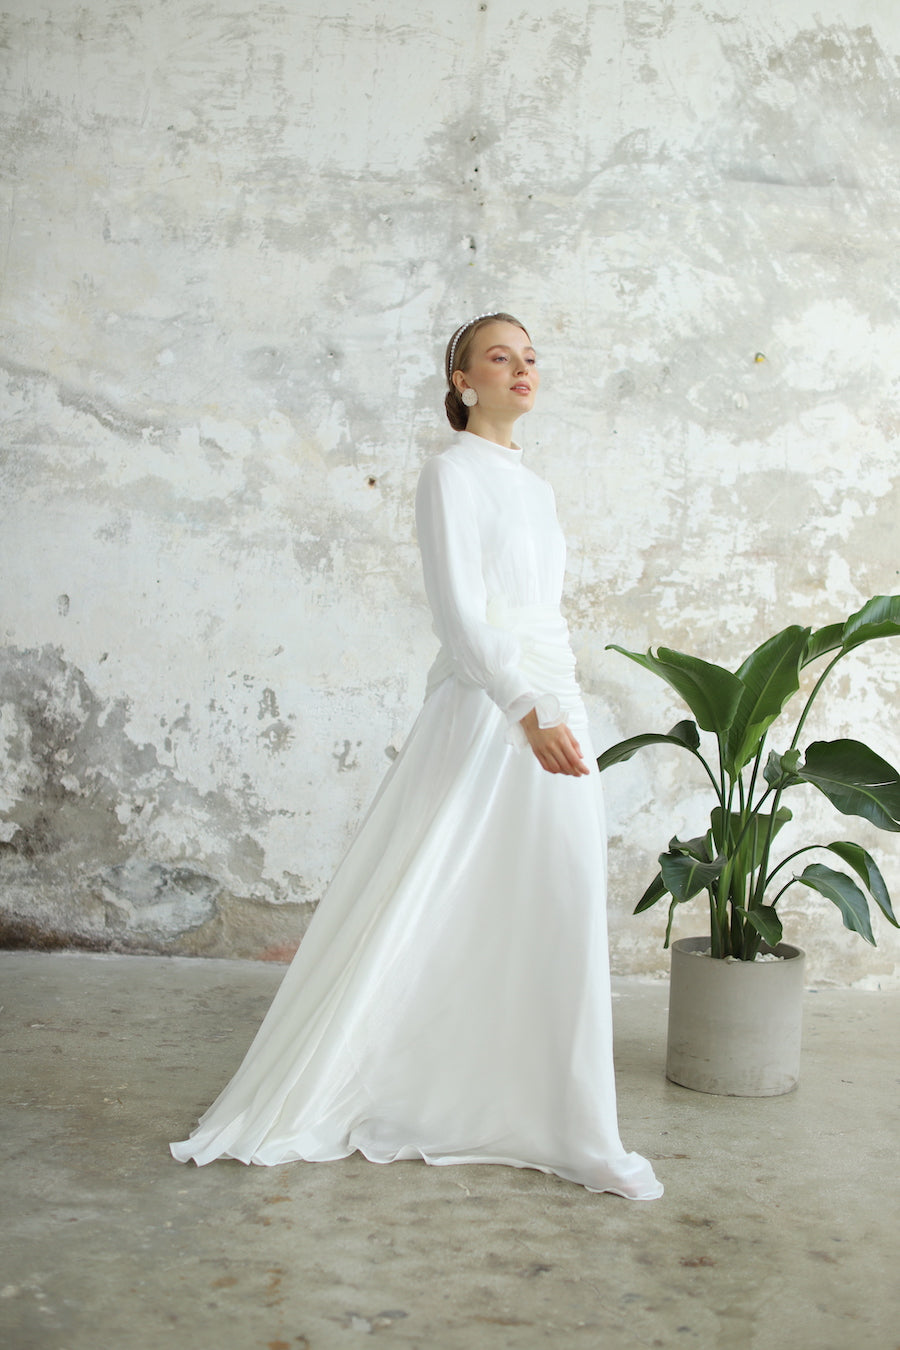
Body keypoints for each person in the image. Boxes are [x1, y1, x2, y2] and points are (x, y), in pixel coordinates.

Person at [170, 313, 663, 1201]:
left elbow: (539, 609)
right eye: (499, 358)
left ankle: (567, 1123)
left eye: (530, 358)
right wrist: (525, 707)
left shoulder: (537, 488)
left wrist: (555, 701)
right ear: (462, 381)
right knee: (431, 892)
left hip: (557, 698)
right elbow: (458, 611)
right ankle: (433, 1092)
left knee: (556, 898)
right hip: (493, 706)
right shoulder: (450, 473)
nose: (522, 370)